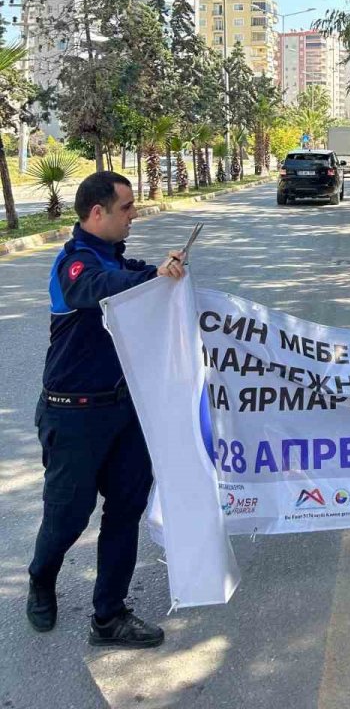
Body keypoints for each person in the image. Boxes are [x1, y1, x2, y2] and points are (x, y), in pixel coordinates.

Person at [26, 171, 187, 646]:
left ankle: (109, 615)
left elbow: (135, 278)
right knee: (68, 516)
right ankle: (41, 578)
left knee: (125, 510)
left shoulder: (115, 260)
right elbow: (95, 287)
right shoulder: (73, 265)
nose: (133, 215)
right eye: (126, 208)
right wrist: (147, 277)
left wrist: (164, 271)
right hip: (73, 415)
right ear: (97, 213)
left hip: (124, 412)